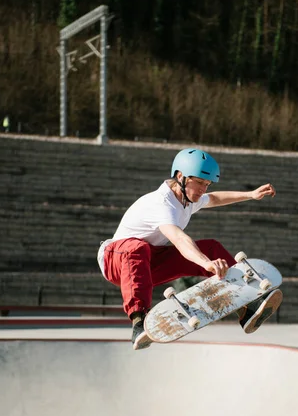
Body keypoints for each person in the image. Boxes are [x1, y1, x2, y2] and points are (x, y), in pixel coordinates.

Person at [97, 148, 283, 350]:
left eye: (207, 184)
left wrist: (250, 195)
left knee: (210, 247)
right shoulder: (162, 203)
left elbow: (215, 199)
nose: (204, 189)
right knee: (138, 248)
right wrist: (205, 263)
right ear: (180, 177)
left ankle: (246, 306)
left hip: (147, 265)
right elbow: (178, 238)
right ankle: (138, 322)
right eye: (200, 183)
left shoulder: (187, 198)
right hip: (116, 261)